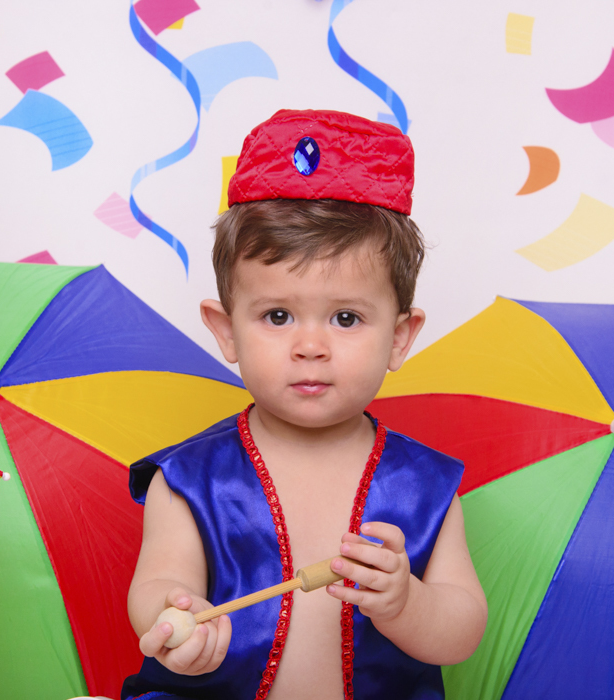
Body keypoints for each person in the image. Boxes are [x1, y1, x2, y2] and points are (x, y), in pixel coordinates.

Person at [122, 109, 487, 700]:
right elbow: (158, 580)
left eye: (345, 318)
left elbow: (462, 631)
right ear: (226, 331)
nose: (310, 346)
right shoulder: (189, 478)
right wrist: (173, 616)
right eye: (277, 316)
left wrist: (406, 604)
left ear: (399, 337)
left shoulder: (424, 486)